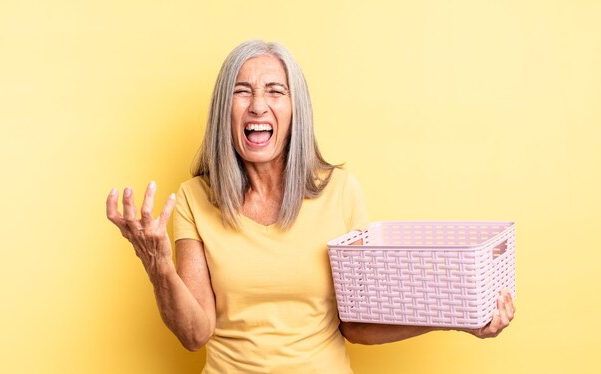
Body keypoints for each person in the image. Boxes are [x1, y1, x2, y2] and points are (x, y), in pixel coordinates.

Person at [106, 40, 515, 373]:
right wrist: (158, 266)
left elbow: (356, 324)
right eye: (242, 91)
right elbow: (195, 334)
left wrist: (460, 317)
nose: (258, 106)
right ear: (223, 112)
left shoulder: (340, 192)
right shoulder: (194, 199)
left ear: (294, 110)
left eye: (275, 91)